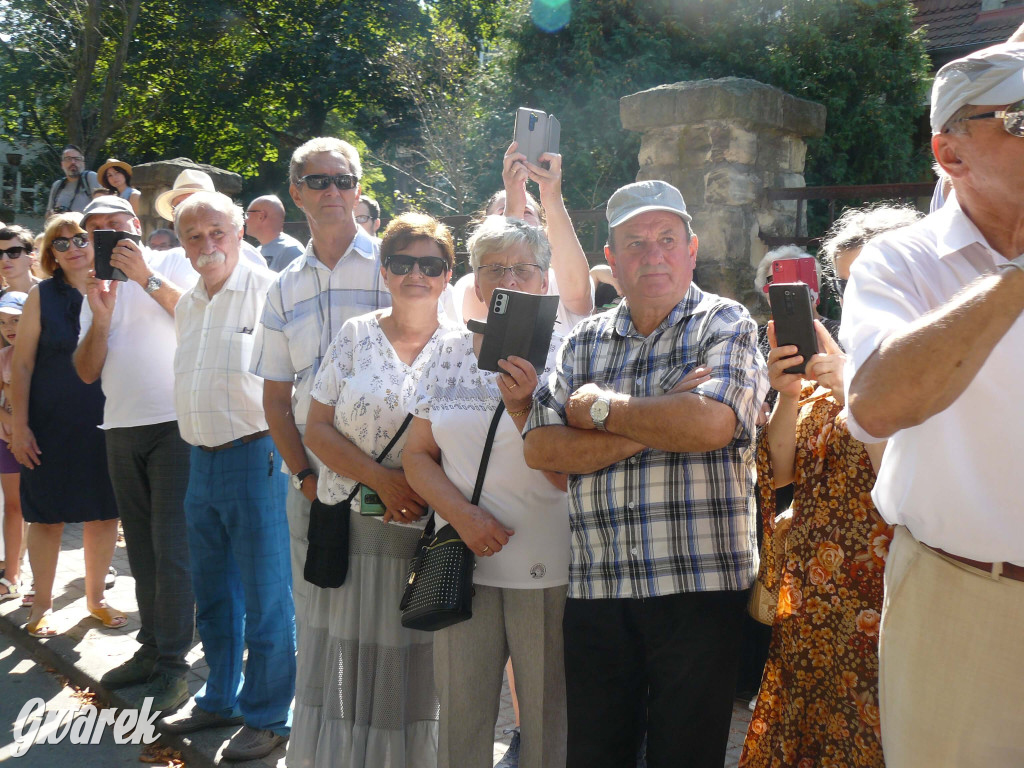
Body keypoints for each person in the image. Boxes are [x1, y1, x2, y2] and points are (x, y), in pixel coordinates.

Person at [522, 180, 767, 768]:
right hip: (599, 584)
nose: (652, 254)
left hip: (699, 586)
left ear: (691, 249)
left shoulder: (725, 322)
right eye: (635, 242)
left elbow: (712, 427)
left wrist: (599, 412)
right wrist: (662, 413)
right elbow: (542, 448)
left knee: (686, 755)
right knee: (596, 755)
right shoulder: (583, 339)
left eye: (666, 238)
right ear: (611, 257)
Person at [840, 43, 1024, 766]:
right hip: (963, 598)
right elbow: (878, 403)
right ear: (950, 153)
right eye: (1020, 118)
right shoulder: (900, 262)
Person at [740, 204, 920, 768]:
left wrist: (850, 391)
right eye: (847, 282)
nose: (858, 296)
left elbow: (903, 482)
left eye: (873, 277)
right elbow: (781, 471)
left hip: (881, 612)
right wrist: (789, 396)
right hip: (812, 611)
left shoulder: (931, 369)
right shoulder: (838, 363)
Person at [403, 216, 571, 768]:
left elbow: (566, 472)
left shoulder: (575, 349)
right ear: (475, 285)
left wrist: (528, 408)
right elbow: (417, 456)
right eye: (495, 269)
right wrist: (463, 518)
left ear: (545, 279)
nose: (511, 281)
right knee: (462, 715)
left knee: (549, 720)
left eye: (524, 269)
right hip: (462, 561)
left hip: (550, 565)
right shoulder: (445, 352)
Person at [290, 212, 455, 768]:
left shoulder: (462, 349)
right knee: (348, 662)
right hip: (356, 533)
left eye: (430, 264)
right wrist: (381, 478)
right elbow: (316, 428)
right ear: (384, 270)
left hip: (425, 539)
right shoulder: (356, 336)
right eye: (403, 262)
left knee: (415, 669)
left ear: (448, 275)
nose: (417, 274)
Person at [157, 192, 295, 761]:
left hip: (258, 456)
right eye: (194, 236)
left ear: (240, 233)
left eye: (218, 232)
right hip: (201, 460)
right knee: (212, 595)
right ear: (183, 245)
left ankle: (268, 716)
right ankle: (220, 698)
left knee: (266, 600)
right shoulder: (189, 302)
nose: (207, 244)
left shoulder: (270, 294)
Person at [251, 136, 391, 642]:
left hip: (393, 476)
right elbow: (275, 401)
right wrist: (303, 477)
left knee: (388, 617)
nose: (333, 189)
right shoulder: (282, 286)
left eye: (343, 180)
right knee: (317, 615)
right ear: (297, 193)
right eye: (319, 181)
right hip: (314, 476)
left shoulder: (398, 269)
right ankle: (324, 723)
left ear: (357, 192)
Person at [73, 195, 199, 711]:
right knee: (142, 548)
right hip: (120, 426)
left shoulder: (168, 262)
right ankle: (152, 646)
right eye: (94, 229)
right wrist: (101, 316)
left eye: (114, 224)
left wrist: (142, 274)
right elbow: (85, 371)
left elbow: (195, 318)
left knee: (172, 548)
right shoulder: (93, 287)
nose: (105, 235)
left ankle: (175, 665)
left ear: (137, 224)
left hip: (175, 424)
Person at [9, 214, 122, 637]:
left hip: (107, 418)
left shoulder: (115, 287)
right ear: (51, 256)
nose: (73, 247)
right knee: (47, 515)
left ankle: (96, 600)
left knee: (104, 511)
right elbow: (21, 364)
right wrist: (19, 426)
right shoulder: (42, 295)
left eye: (80, 238)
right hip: (48, 421)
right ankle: (42, 604)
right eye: (61, 243)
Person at [449, 145, 594, 333]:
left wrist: (551, 196)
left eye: (527, 211)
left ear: (543, 229)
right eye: (503, 212)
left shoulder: (559, 278)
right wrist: (513, 206)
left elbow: (580, 300)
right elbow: (485, 311)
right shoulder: (473, 282)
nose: (520, 217)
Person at [0, 291, 28, 601]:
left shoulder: (46, 356)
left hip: (42, 443)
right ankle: (12, 574)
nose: (9, 327)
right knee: (13, 507)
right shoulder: (3, 357)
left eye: (17, 320)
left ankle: (38, 581)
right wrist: (9, 425)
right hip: (7, 442)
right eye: (3, 322)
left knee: (45, 514)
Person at [245, 195, 305, 272]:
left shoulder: (291, 251)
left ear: (261, 216)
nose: (245, 220)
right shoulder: (257, 251)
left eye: (248, 215)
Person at [45, 145, 103, 218]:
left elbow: (102, 208)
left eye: (77, 159)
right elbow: (48, 214)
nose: (73, 162)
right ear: (62, 164)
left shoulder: (91, 178)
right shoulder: (57, 186)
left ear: (83, 164)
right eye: (68, 159)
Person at [0, 225, 41, 297]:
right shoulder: (1, 299)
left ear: (31, 257)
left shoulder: (54, 291)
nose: (4, 259)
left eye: (13, 252)